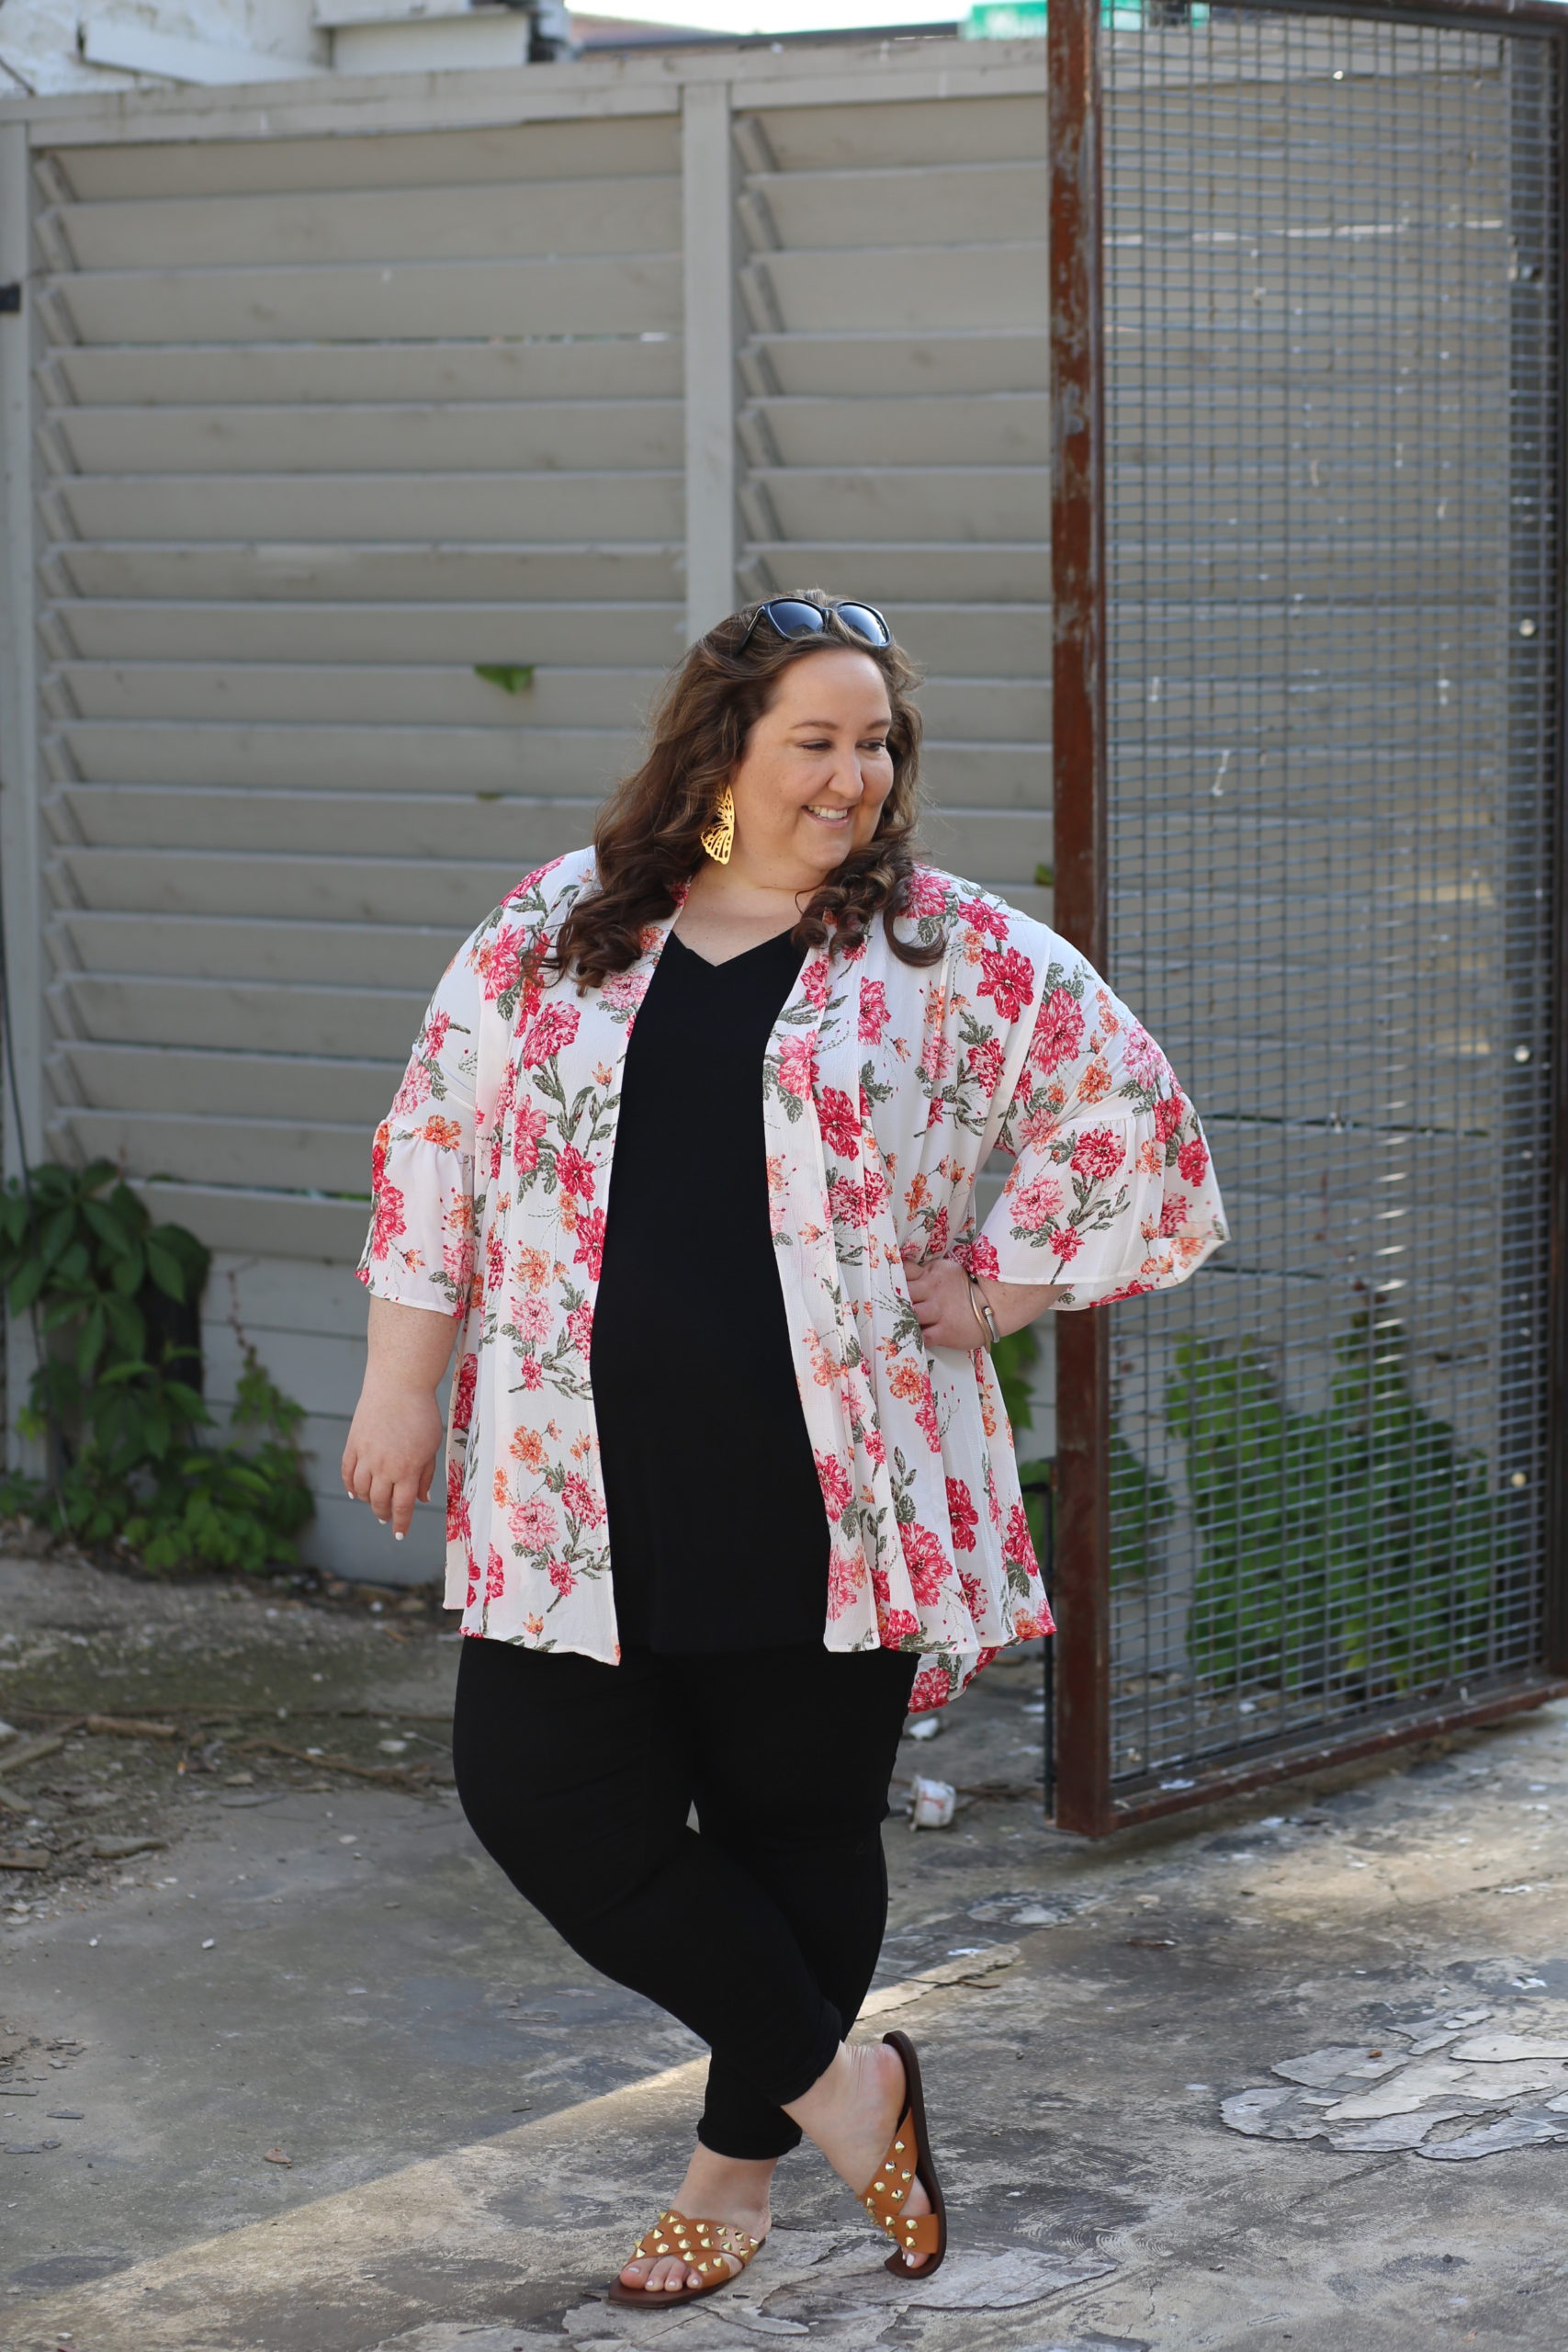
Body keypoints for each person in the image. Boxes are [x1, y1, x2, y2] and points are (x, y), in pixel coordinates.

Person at [342, 594, 1228, 2304]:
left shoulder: (942, 953)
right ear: (721, 752)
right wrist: (399, 1382)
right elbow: (431, 1147)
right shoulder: (563, 926)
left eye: (877, 743)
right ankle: (852, 2091)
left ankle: (731, 2177)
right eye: (814, 741)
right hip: (566, 1470)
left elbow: (1129, 1111)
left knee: (795, 1824)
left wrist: (1007, 1285)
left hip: (836, 1478)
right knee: (540, 1795)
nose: (853, 777)